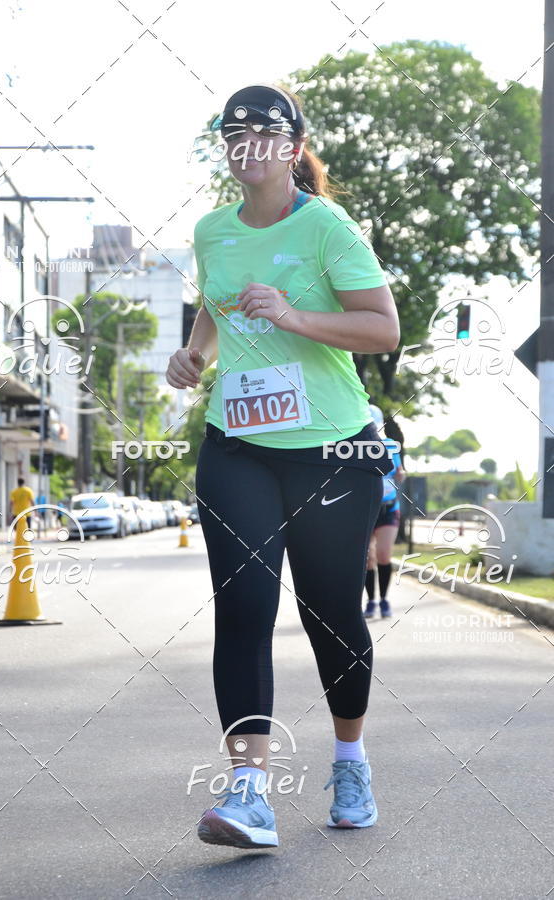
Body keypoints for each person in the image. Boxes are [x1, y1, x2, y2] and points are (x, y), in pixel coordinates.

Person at [167, 83, 399, 849]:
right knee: (242, 609)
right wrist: (196, 354)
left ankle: (350, 759)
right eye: (234, 133)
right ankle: (248, 793)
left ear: (293, 148)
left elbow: (382, 328)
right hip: (237, 445)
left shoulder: (328, 227)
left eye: (266, 132)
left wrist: (296, 317)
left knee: (330, 612)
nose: (248, 144)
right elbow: (216, 303)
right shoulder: (211, 231)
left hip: (334, 449)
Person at [364, 405, 406, 619]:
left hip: (389, 507)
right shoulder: (357, 446)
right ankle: (371, 601)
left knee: (382, 555)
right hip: (365, 507)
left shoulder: (390, 445)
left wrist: (401, 474)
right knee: (368, 558)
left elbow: (399, 470)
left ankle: (384, 599)